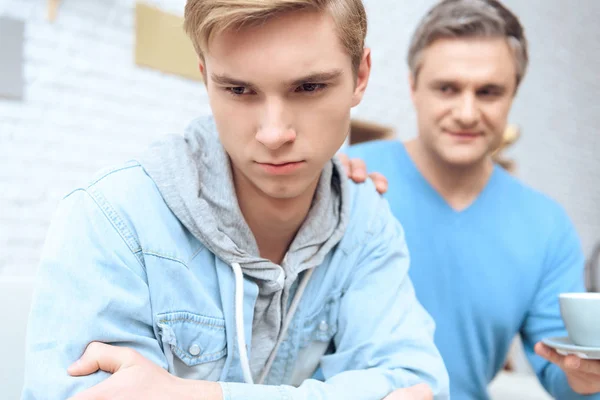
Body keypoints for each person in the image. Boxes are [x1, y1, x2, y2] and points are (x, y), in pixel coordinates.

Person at [21, 1, 449, 399]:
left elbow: (416, 385)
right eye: (240, 91)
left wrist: (196, 393)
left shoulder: (366, 221)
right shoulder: (111, 220)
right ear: (206, 77)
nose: (274, 133)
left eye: (309, 86)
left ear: (360, 77)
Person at [343, 0, 600, 398]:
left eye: (489, 92)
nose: (466, 112)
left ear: (514, 94)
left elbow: (561, 372)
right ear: (413, 86)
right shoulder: (348, 179)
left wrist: (586, 377)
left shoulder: (545, 226)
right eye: (447, 88)